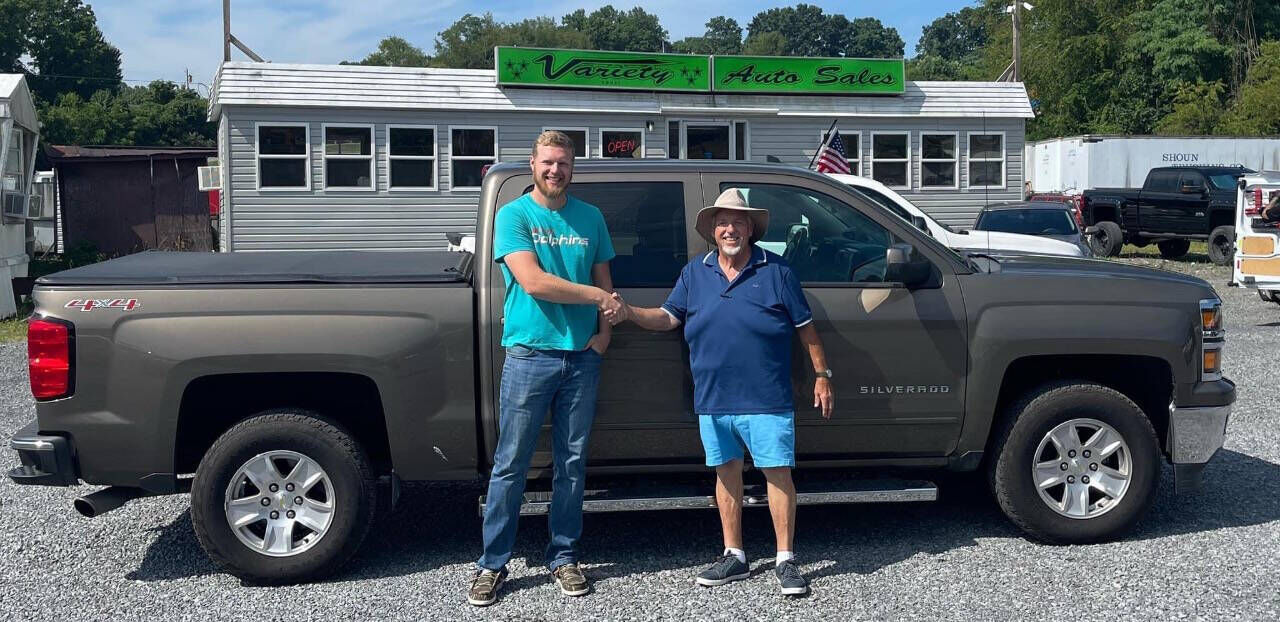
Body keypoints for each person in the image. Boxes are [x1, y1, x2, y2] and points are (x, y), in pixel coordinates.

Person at [615, 188, 834, 596]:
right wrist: (628, 312)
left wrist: (822, 374)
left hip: (767, 395)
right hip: (714, 397)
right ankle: (735, 555)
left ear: (751, 229)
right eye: (722, 222)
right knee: (726, 473)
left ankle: (785, 559)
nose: (729, 229)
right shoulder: (694, 273)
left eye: (737, 222)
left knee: (777, 474)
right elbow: (667, 318)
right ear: (712, 231)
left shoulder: (778, 271)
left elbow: (806, 329)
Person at [469, 130, 625, 607]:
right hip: (530, 354)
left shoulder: (591, 217)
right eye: (547, 162)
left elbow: (606, 282)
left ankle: (565, 556)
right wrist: (598, 298)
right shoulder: (513, 214)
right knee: (511, 464)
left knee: (572, 463)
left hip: (582, 358)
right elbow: (533, 282)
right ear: (532, 165)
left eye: (563, 163)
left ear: (572, 167)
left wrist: (604, 334)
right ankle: (492, 564)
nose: (555, 170)